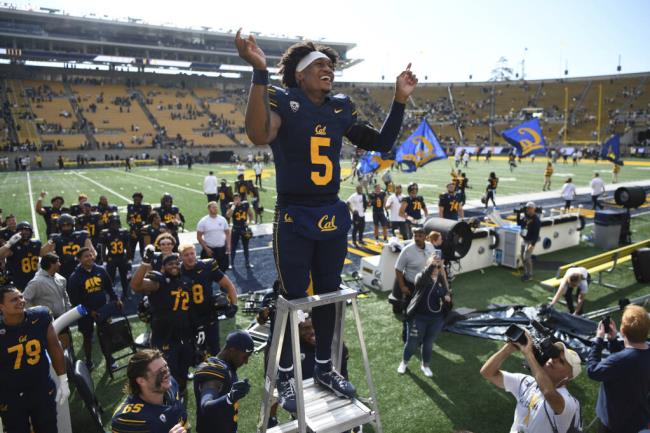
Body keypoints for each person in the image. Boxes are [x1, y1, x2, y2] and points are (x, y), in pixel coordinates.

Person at [236, 29, 416, 412]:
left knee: (330, 295)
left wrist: (399, 100)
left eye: (330, 64)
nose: (327, 69)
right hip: (295, 212)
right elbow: (256, 132)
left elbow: (380, 143)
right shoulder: (284, 99)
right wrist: (259, 73)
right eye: (318, 64)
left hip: (330, 211)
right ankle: (285, 374)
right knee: (291, 297)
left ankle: (323, 368)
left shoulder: (339, 107)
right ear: (299, 74)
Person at [480, 329, 583, 433]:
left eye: (561, 361)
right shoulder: (527, 382)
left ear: (568, 376)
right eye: (554, 356)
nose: (553, 359)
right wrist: (509, 348)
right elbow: (488, 372)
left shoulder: (570, 403)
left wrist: (529, 354)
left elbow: (548, 393)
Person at [0, 286, 70, 433]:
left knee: (48, 429)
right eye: (14, 299)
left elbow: (54, 347)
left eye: (20, 297)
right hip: (10, 394)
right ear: (1, 306)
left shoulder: (40, 317)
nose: (20, 301)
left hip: (41, 388)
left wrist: (63, 379)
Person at [130, 252, 194, 396]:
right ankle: (169, 396)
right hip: (164, 335)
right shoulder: (159, 281)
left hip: (183, 333)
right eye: (170, 264)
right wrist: (145, 262)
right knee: (166, 371)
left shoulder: (186, 281)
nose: (174, 266)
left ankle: (181, 392)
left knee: (184, 367)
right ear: (163, 267)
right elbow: (135, 285)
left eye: (177, 263)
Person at [587, 305, 650, 433]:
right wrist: (613, 341)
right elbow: (629, 362)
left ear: (622, 329)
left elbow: (593, 371)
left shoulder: (618, 361)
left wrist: (598, 339)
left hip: (614, 422)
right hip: (638, 417)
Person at [179, 243, 238, 358]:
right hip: (188, 319)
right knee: (191, 355)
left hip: (208, 316)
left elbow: (228, 285)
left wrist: (234, 304)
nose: (190, 257)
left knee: (215, 351)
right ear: (180, 257)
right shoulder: (176, 271)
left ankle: (216, 374)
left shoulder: (207, 266)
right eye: (186, 255)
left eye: (192, 253)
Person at [68, 247, 121, 369]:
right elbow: (75, 300)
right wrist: (89, 311)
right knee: (87, 337)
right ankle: (88, 361)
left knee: (106, 334)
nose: (90, 257)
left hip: (102, 309)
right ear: (79, 259)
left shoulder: (101, 270)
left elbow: (109, 288)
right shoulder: (74, 277)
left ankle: (110, 359)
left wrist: (116, 299)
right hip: (86, 313)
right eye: (86, 256)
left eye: (91, 255)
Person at [111, 349, 188, 433]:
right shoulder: (127, 418)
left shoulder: (170, 383)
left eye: (165, 366)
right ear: (141, 381)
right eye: (160, 371)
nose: (167, 373)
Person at [399, 254, 450, 377]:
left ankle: (425, 365)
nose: (436, 268)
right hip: (418, 318)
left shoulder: (440, 278)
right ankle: (404, 363)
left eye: (438, 266)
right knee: (412, 342)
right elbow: (419, 282)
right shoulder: (421, 276)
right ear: (427, 265)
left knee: (428, 342)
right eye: (433, 265)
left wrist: (446, 296)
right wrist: (432, 264)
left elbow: (445, 290)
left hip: (436, 319)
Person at [193, 331, 253, 433]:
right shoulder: (214, 372)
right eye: (245, 357)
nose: (246, 362)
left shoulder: (226, 366)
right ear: (232, 350)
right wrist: (230, 397)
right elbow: (206, 406)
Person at [394, 227, 435, 342]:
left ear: (425, 236)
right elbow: (398, 269)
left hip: (427, 286)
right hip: (411, 287)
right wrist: (402, 286)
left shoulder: (430, 247)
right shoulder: (407, 250)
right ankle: (406, 337)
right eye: (415, 236)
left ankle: (421, 337)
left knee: (424, 312)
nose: (417, 238)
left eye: (419, 236)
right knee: (409, 313)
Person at [41, 213, 96, 281]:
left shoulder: (82, 236)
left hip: (81, 270)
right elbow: (42, 253)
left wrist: (82, 260)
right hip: (64, 272)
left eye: (68, 225)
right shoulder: (56, 238)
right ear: (59, 226)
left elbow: (93, 254)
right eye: (63, 225)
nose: (66, 227)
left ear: (73, 225)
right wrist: (51, 241)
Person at [23, 253, 71, 320]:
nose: (60, 264)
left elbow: (65, 297)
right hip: (46, 321)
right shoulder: (36, 282)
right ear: (51, 264)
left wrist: (67, 312)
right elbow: (25, 299)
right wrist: (37, 314)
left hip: (62, 319)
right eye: (58, 262)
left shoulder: (61, 279)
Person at [0, 222, 43, 290]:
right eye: (21, 230)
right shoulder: (13, 246)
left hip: (34, 281)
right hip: (17, 282)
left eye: (26, 230)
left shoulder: (36, 244)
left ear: (31, 232)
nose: (24, 232)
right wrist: (8, 244)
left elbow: (44, 254)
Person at [100, 213, 132, 300]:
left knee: (124, 278)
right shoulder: (105, 233)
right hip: (111, 258)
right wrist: (104, 260)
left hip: (122, 258)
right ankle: (111, 295)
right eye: (113, 223)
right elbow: (103, 248)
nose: (115, 225)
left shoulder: (124, 232)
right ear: (109, 224)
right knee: (110, 279)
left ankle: (125, 293)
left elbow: (128, 247)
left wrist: (129, 259)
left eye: (117, 223)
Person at [197, 201, 231, 272]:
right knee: (208, 272)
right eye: (213, 207)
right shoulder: (203, 221)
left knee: (222, 271)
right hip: (210, 250)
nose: (215, 209)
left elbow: (227, 233)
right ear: (209, 209)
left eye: (216, 207)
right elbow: (199, 237)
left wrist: (228, 245)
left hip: (222, 249)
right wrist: (206, 248)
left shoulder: (222, 219)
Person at [226, 193, 254, 269]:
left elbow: (251, 214)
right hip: (235, 228)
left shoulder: (245, 204)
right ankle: (231, 263)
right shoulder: (231, 205)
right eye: (235, 198)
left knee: (246, 246)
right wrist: (234, 206)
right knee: (233, 246)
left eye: (238, 198)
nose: (237, 200)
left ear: (240, 198)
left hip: (244, 228)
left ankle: (247, 262)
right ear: (233, 199)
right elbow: (228, 215)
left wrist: (248, 221)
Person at [518, 201, 541, 282]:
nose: (528, 209)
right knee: (522, 256)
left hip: (531, 241)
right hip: (524, 239)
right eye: (527, 208)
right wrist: (518, 213)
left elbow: (536, 234)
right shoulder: (526, 216)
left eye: (530, 208)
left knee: (527, 257)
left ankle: (530, 274)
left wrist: (532, 244)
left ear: (534, 209)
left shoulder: (536, 220)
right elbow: (519, 223)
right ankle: (525, 272)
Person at [127, 192, 152, 261]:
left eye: (138, 199)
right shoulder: (130, 206)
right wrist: (132, 226)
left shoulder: (145, 207)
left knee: (143, 250)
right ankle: (129, 264)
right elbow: (128, 219)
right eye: (135, 199)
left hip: (142, 231)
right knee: (130, 249)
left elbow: (149, 220)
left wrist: (143, 226)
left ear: (141, 200)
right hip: (133, 232)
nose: (136, 201)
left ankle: (145, 263)